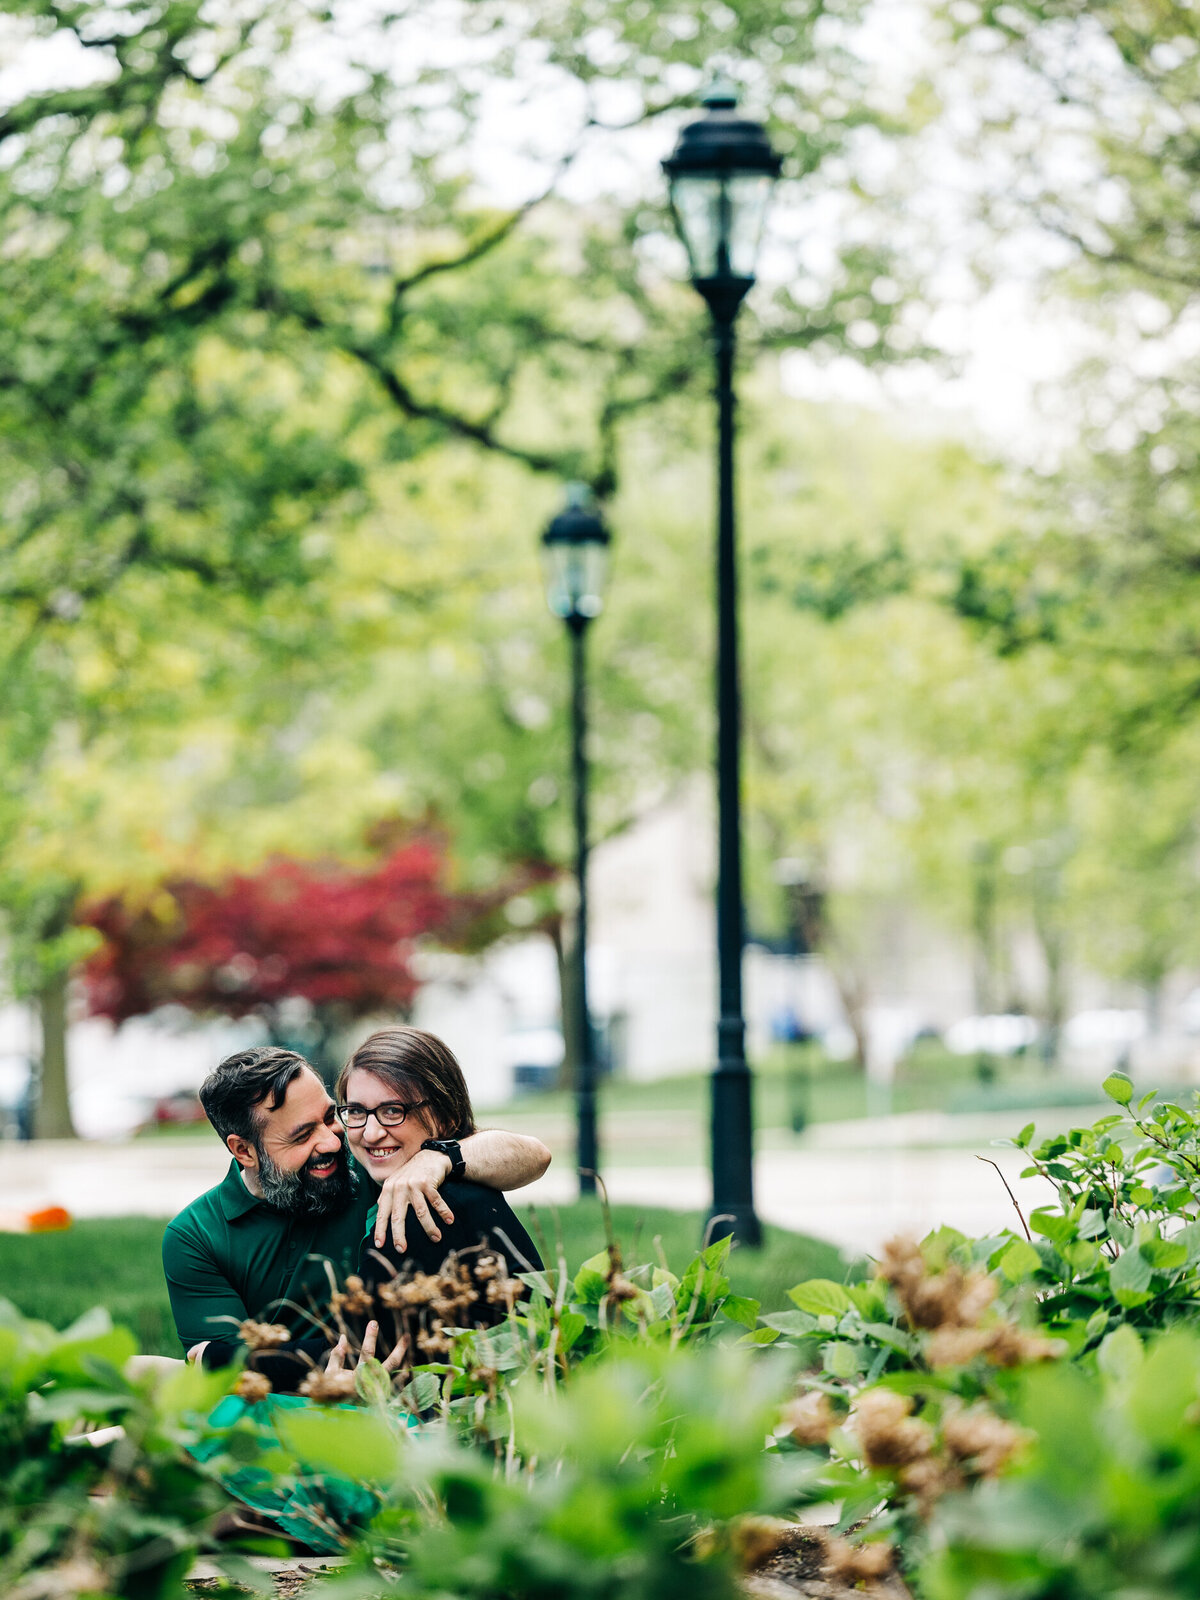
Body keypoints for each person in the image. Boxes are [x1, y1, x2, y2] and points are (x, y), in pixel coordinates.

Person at [163, 1042, 549, 1372]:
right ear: (243, 1150)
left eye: (331, 1117)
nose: (333, 1143)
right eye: (302, 1135)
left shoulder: (374, 1158)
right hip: (297, 1396)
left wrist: (440, 1158)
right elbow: (227, 1381)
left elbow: (534, 1155)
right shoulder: (196, 1236)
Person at [331, 1027, 542, 1365]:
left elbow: (358, 1346)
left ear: (446, 1117)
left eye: (392, 1110)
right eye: (356, 1111)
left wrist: (216, 1355)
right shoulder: (461, 1188)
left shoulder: (423, 1207)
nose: (370, 1133)